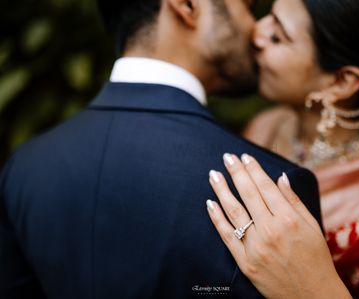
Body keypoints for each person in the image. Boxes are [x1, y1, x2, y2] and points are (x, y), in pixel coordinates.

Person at [0, 0, 322, 298]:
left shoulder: (24, 167)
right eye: (246, 5)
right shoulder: (274, 189)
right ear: (186, 5)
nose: (255, 29)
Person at [206, 0, 359, 298]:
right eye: (268, 15)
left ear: (342, 81)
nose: (256, 31)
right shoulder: (269, 125)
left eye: (277, 36)